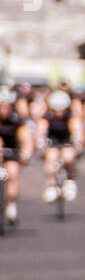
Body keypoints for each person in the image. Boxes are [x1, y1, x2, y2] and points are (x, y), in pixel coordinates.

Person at [37, 89, 84, 202]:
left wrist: (78, 141)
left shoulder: (71, 117)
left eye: (61, 111)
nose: (58, 114)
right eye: (55, 111)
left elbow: (78, 130)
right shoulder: (46, 117)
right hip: (52, 143)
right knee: (51, 157)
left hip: (66, 142)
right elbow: (40, 130)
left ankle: (70, 180)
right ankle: (51, 185)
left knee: (68, 156)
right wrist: (40, 142)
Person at [0, 85, 33, 223]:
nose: (4, 110)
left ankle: (11, 205)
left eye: (7, 107)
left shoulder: (17, 120)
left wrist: (26, 153)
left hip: (12, 152)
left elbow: (26, 138)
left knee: (13, 172)